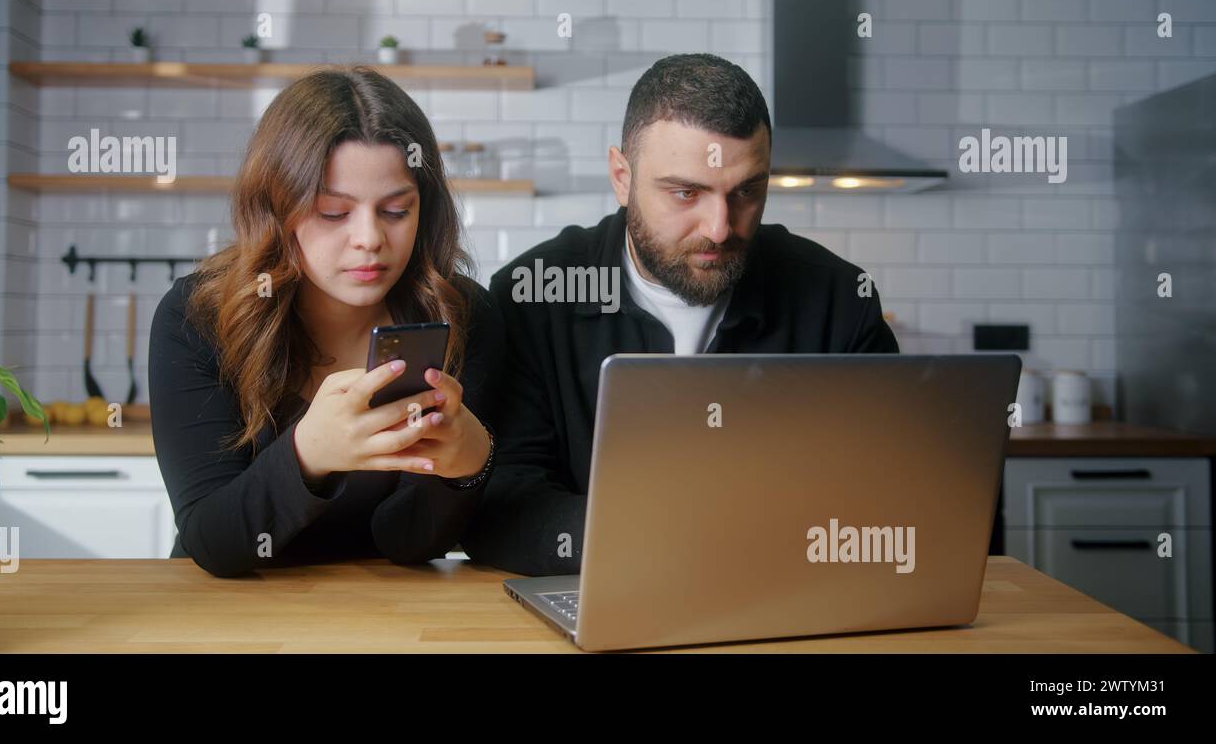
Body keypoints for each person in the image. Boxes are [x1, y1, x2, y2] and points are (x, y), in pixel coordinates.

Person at [462, 53, 899, 576]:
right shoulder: (530, 296)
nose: (719, 227)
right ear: (622, 177)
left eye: (746, 192)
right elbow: (499, 500)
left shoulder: (838, 300)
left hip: (793, 595)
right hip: (606, 593)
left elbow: (894, 488)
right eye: (686, 192)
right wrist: (662, 538)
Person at [149, 67, 503, 578]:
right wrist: (308, 453)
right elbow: (211, 539)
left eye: (396, 211)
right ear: (276, 208)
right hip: (229, 616)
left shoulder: (461, 315)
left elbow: (408, 542)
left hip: (390, 617)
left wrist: (468, 465)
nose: (369, 238)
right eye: (334, 213)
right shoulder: (196, 316)